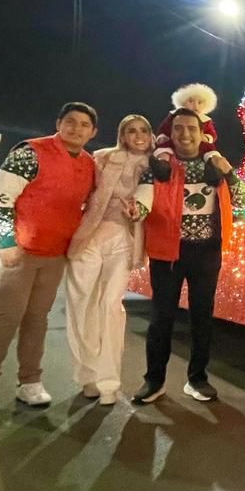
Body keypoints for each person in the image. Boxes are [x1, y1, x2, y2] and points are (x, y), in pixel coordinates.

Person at [0, 102, 98, 418]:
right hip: (17, 250)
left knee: (37, 319)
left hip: (54, 254)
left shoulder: (90, 164)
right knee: (4, 319)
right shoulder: (31, 153)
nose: (76, 128)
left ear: (92, 132)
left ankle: (30, 382)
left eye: (84, 125)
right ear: (58, 123)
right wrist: (8, 243)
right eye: (71, 121)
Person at [131, 108, 245, 404]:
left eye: (191, 128)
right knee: (161, 319)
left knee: (201, 318)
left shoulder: (216, 165)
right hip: (167, 253)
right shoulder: (158, 166)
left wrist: (229, 171)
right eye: (179, 128)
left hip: (206, 253)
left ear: (202, 133)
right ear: (170, 134)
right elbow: (144, 198)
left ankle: (198, 380)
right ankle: (153, 382)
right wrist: (136, 211)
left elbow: (243, 199)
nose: (185, 134)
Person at [65, 115, 152, 405]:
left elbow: (156, 200)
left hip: (124, 239)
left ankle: (109, 382)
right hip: (88, 236)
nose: (138, 136)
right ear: (122, 135)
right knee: (81, 304)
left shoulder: (157, 163)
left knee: (111, 307)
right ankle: (87, 375)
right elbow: (76, 189)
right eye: (131, 131)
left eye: (143, 130)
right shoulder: (101, 158)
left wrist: (139, 210)